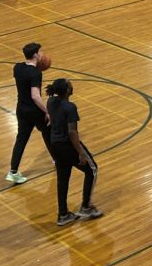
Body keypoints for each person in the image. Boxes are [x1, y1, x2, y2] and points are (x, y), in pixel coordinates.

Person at [45, 77, 102, 226]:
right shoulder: (70, 107)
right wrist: (81, 152)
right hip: (68, 145)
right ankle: (86, 207)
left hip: (55, 145)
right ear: (67, 91)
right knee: (92, 169)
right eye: (70, 85)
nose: (72, 86)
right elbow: (72, 133)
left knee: (62, 179)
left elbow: (51, 118)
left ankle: (63, 214)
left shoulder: (50, 101)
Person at [7, 42, 52, 184]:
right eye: (41, 52)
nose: (42, 55)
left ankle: (13, 171)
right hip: (34, 110)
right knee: (48, 131)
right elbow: (35, 96)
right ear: (35, 55)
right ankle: (57, 159)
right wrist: (47, 111)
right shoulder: (35, 73)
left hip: (21, 109)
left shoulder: (17, 67)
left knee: (21, 139)